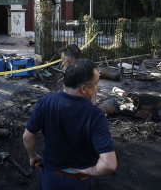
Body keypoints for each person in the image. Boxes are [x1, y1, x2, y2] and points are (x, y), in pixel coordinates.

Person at [23, 59, 117, 189]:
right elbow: (109, 164)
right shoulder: (94, 115)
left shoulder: (45, 102)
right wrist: (90, 171)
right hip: (79, 182)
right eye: (96, 83)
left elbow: (27, 137)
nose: (97, 87)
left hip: (50, 178)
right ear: (84, 89)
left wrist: (32, 156)